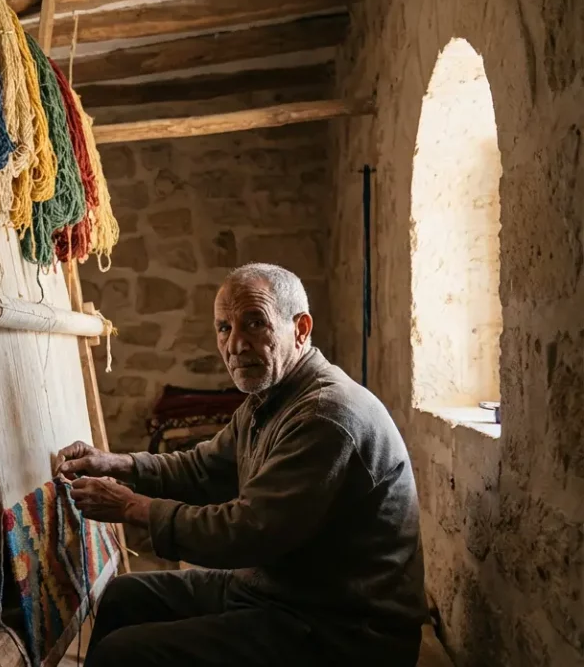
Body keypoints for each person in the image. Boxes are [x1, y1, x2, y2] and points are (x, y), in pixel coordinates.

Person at [55, 262, 427, 667]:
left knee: (122, 654)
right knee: (125, 597)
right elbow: (203, 468)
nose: (235, 345)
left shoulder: (325, 416)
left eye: (254, 324)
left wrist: (131, 507)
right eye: (224, 328)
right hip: (285, 592)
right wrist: (116, 463)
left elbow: (247, 532)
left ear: (300, 329)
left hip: (343, 630)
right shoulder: (270, 398)